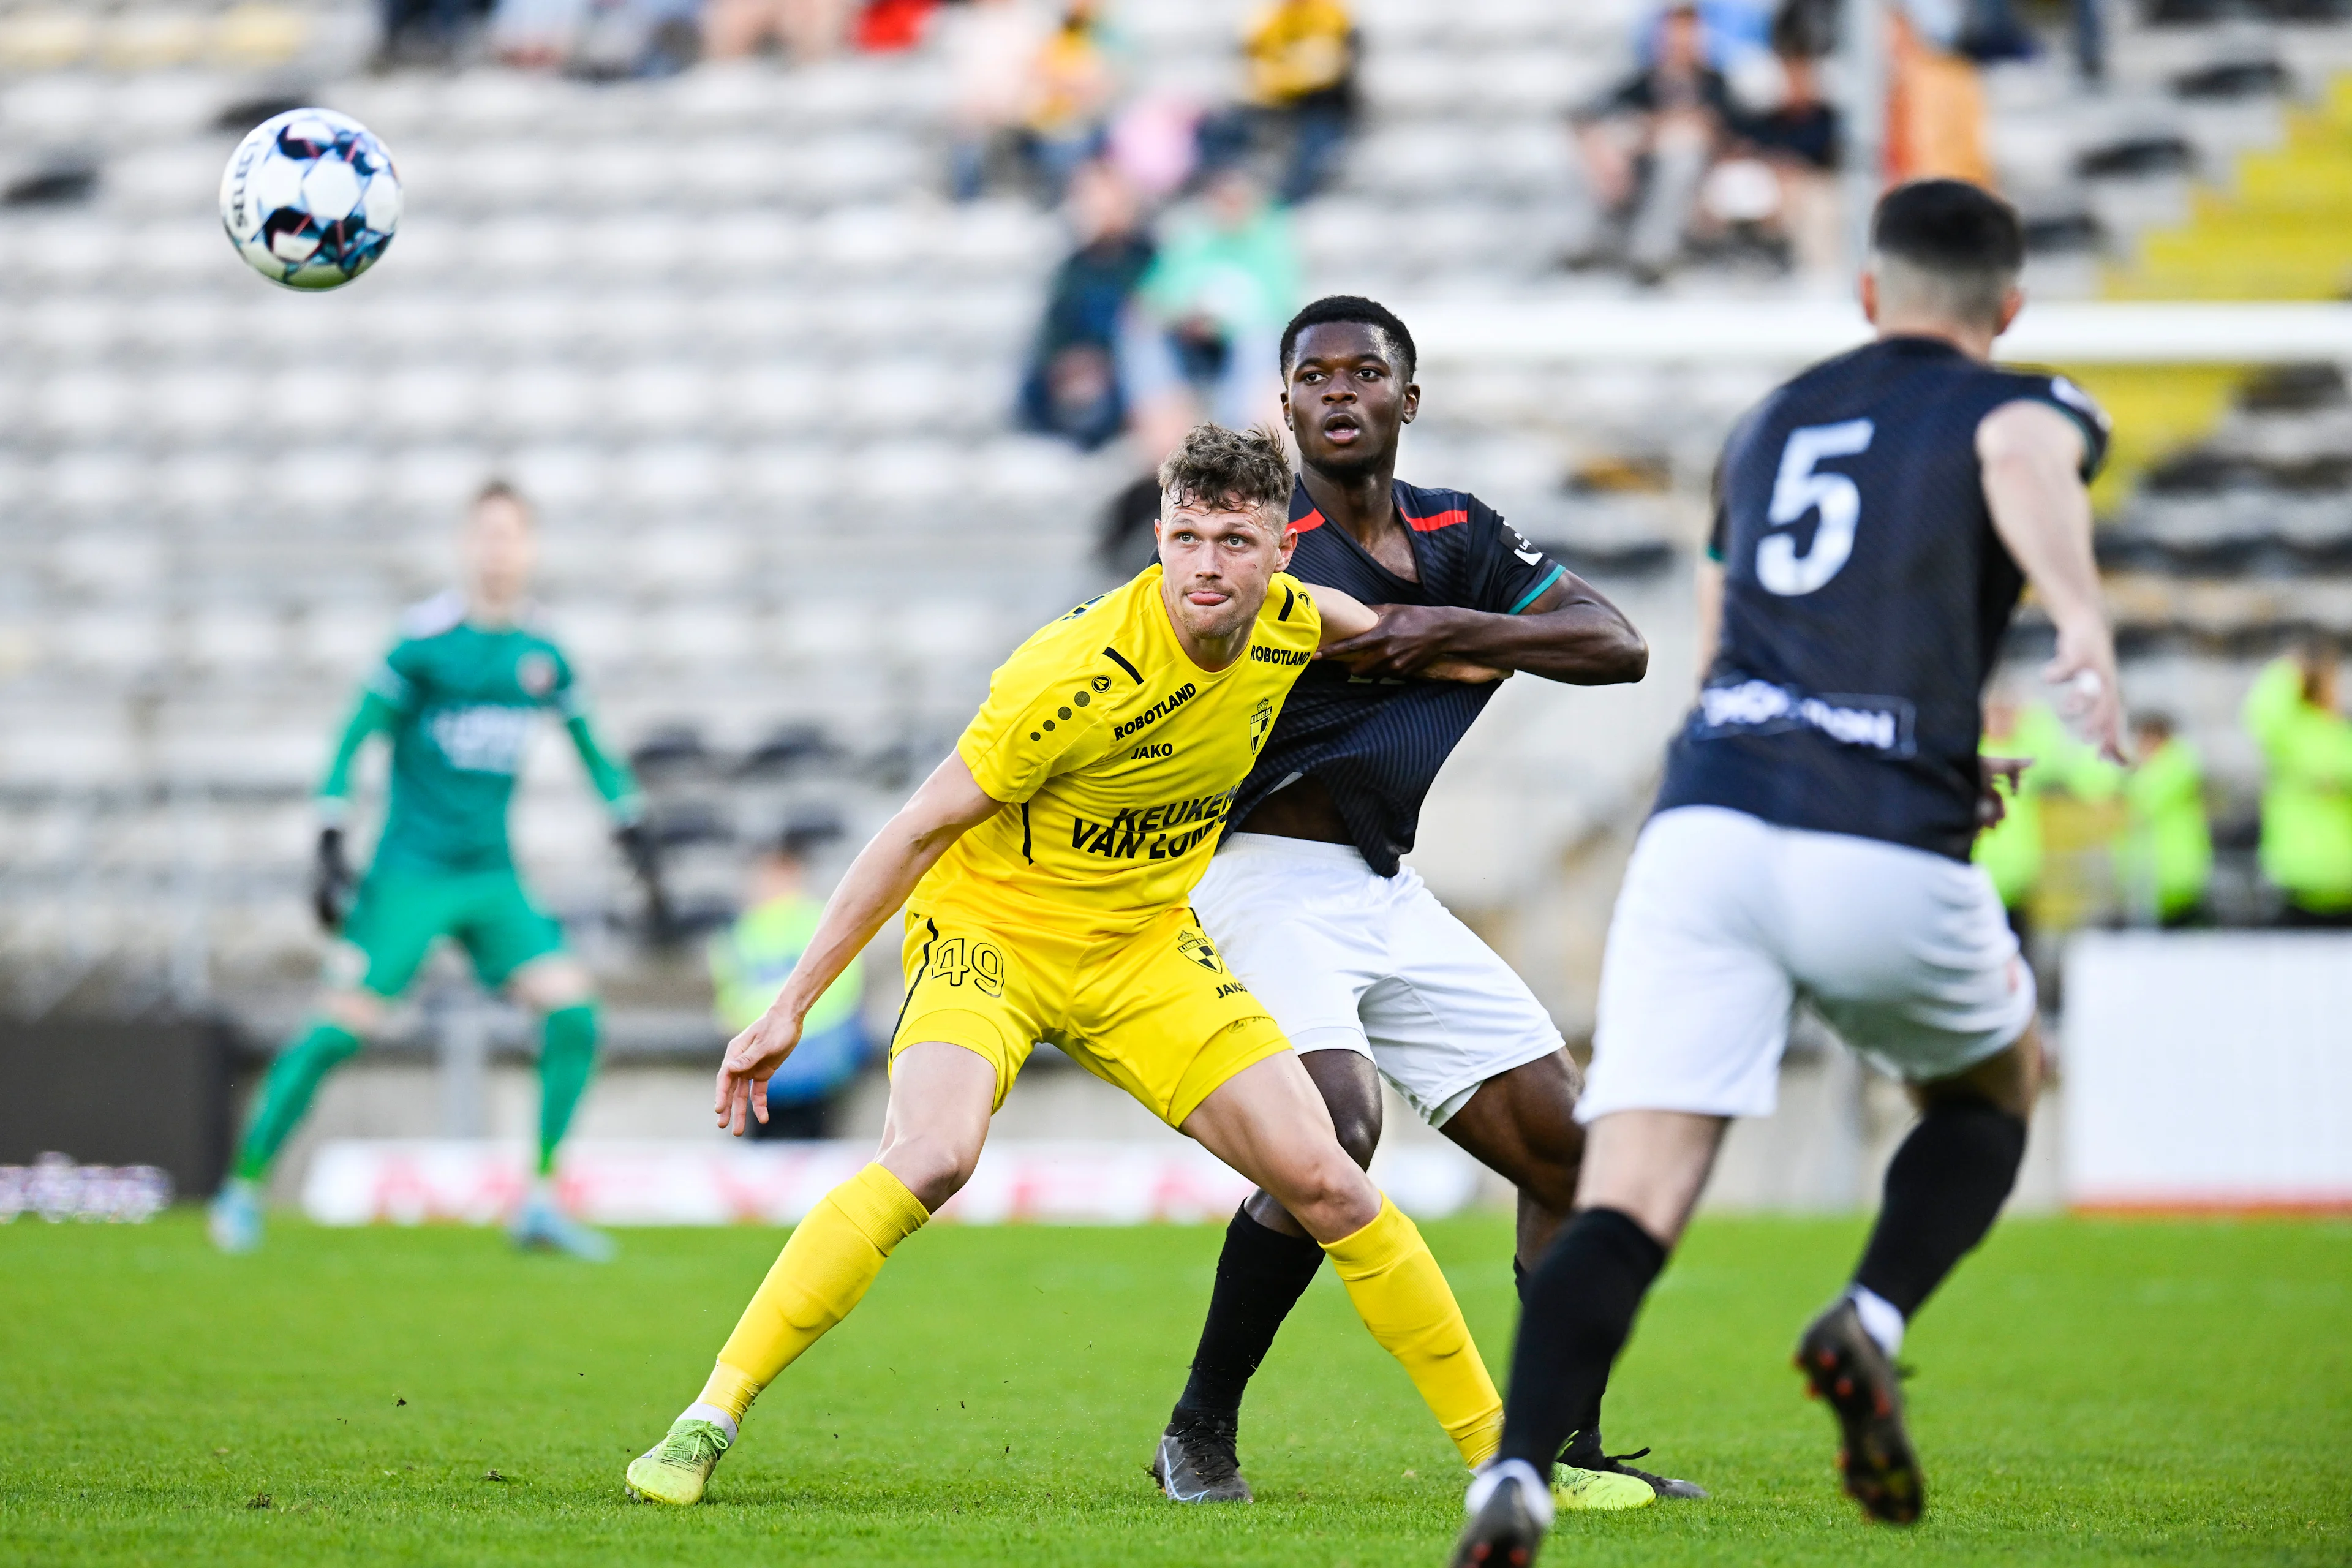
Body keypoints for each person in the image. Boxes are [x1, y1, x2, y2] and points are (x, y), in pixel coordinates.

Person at [624, 424, 1512, 1507]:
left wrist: (1558, 641)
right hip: (994, 936)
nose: (1206, 565)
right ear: (1158, 536)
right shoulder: (1071, 671)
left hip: (1142, 946)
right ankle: (707, 1417)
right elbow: (911, 832)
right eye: (1186, 536)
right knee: (936, 1157)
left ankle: (1498, 1458)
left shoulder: (1301, 621)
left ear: (1285, 551)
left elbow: (1404, 644)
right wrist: (789, 1009)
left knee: (1328, 1178)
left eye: (1235, 540)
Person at [1451, 179, 2122, 1561]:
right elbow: (2016, 459)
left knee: (1633, 1185)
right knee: (1996, 1088)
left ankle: (1513, 1473)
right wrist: (2084, 629)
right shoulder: (2022, 400)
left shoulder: (1769, 427)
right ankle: (1869, 1314)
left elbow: (1728, 633)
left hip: (1706, 826)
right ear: (2007, 306)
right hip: (1875, 829)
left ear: (1869, 295)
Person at [1147, 297, 1695, 1513]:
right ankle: (1198, 1428)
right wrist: (1461, 640)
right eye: (1313, 375)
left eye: (1366, 371)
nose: (1340, 391)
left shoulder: (1459, 528)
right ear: (1283, 405)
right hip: (1254, 876)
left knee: (1570, 1148)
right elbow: (1193, 648)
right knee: (1333, 1130)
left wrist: (1443, 631)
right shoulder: (1253, 537)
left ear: (1409, 396)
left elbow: (1617, 642)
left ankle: (1561, 1445)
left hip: (1386, 886)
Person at [207, 481, 665, 1261]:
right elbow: (355, 734)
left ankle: (542, 1200)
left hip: (491, 876)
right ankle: (242, 1186)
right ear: (467, 544)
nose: (500, 550)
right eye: (487, 534)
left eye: (513, 536)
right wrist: (328, 829)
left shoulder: (541, 654)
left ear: (530, 548)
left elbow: (592, 746)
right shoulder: (421, 643)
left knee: (574, 1015)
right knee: (337, 1030)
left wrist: (633, 826)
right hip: (410, 873)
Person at [708, 821, 871, 1139]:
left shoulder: (821, 920)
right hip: (764, 1072)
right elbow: (728, 1000)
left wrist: (771, 1016)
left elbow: (842, 989)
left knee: (817, 1158)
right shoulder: (738, 932)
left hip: (819, 1070)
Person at [1123, 165, 1300, 435]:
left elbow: (1278, 305)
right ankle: (1161, 419)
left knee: (1261, 339)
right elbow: (1156, 294)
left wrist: (1222, 323)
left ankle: (1242, 426)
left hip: (1244, 339)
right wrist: (1184, 316)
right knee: (1139, 327)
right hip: (1188, 337)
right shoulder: (1192, 240)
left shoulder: (1271, 241)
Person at [1569, 3, 1735, 282]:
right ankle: (1591, 242)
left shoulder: (1716, 84)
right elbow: (1589, 115)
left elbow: (1730, 129)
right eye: (1673, 36)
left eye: (1687, 36)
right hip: (1641, 172)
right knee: (1606, 140)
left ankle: (1653, 253)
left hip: (1701, 178)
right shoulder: (1643, 83)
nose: (1680, 44)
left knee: (1682, 149)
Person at [1020, 160, 1156, 451]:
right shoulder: (1072, 268)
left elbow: (1151, 325)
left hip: (1126, 374)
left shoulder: (1150, 261)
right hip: (1076, 376)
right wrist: (1068, 364)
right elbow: (1055, 332)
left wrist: (1104, 363)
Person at [2244, 640, 2352, 926]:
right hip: (2299, 876)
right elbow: (2260, 708)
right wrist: (2290, 669)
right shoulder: (2294, 732)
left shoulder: (2339, 734)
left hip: (2340, 878)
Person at [1238, 0, 1360, 205]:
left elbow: (1328, 70)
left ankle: (1289, 200)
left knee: (1315, 143)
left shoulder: (1330, 14)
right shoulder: (1270, 18)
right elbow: (1260, 71)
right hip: (1280, 102)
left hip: (1323, 102)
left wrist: (1287, 73)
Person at [2106, 712, 2212, 927]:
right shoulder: (2144, 771)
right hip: (2145, 884)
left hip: (2177, 880)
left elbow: (2144, 798)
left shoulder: (2179, 765)